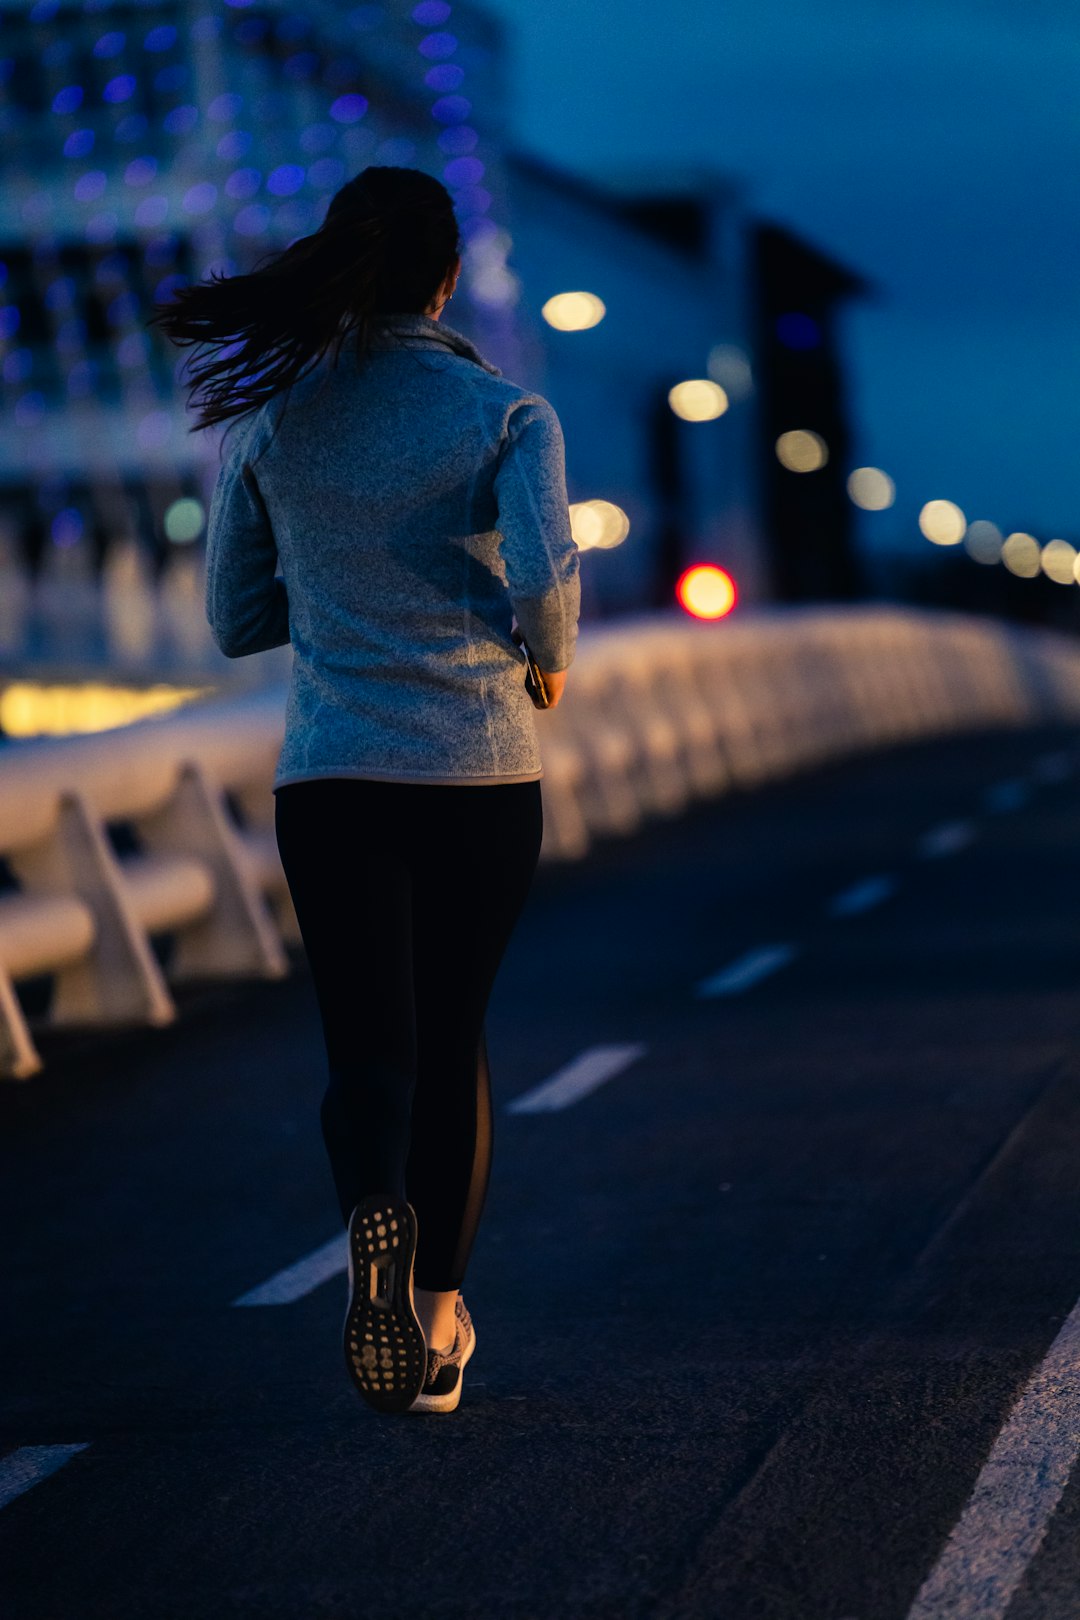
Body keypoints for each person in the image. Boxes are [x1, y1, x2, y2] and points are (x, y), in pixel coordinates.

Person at [150, 166, 580, 1416]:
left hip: (330, 778)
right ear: (446, 278)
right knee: (453, 1042)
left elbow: (236, 619)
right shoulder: (509, 416)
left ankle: (369, 1226)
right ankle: (437, 1319)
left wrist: (340, 606)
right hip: (476, 774)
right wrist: (540, 658)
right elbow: (547, 574)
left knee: (367, 1050)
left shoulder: (276, 422)